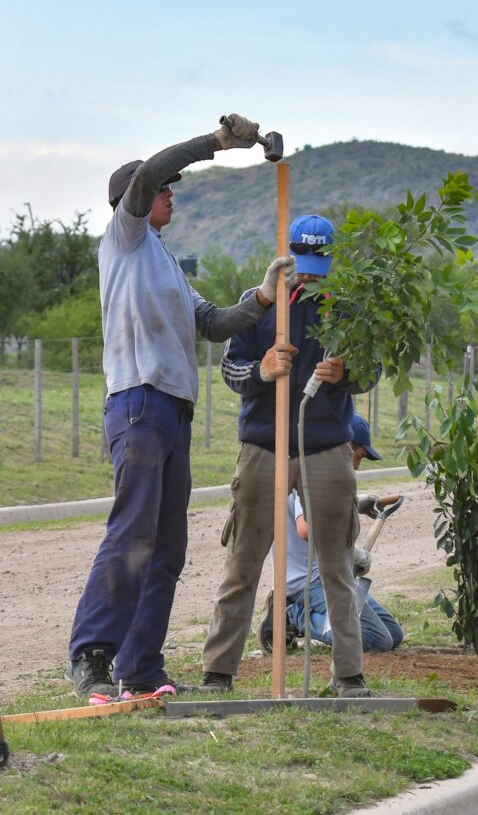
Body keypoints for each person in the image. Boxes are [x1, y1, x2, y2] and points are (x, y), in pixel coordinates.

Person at [66, 115, 297, 699]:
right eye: (166, 189)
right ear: (136, 200)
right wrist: (217, 144)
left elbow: (213, 323)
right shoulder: (125, 237)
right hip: (139, 400)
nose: (172, 193)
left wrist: (262, 296)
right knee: (133, 531)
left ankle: (141, 669)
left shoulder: (164, 262)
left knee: (167, 547)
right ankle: (92, 655)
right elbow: (149, 174)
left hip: (174, 410)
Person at [200, 215, 380, 698]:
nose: (309, 274)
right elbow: (231, 369)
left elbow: (372, 370)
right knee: (243, 562)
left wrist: (347, 373)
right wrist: (261, 369)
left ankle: (348, 676)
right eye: (303, 262)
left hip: (326, 447)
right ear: (288, 253)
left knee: (337, 564)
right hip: (263, 447)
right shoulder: (259, 302)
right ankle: (218, 673)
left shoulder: (347, 308)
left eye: (319, 265)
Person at [258, 414, 404, 655]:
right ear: (344, 447)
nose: (357, 466)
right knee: (376, 639)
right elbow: (305, 529)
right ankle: (292, 615)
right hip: (307, 581)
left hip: (327, 573)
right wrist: (350, 554)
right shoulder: (310, 473)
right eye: (359, 456)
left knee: (393, 634)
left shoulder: (322, 470)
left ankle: (311, 616)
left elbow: (319, 513)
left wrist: (355, 504)